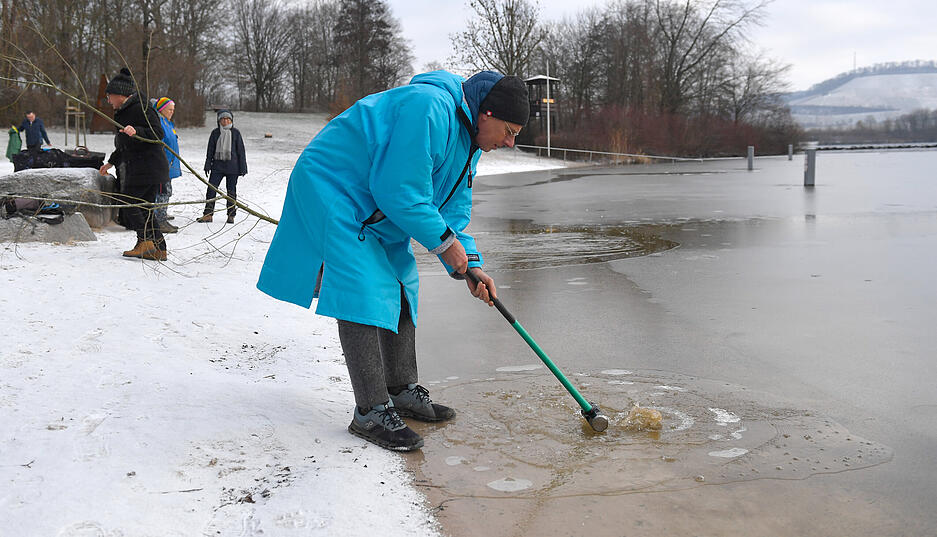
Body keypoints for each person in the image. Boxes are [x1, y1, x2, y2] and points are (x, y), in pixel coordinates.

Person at [256, 70, 529, 451]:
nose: (511, 142)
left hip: (378, 203)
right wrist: (445, 243)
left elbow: (452, 210)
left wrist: (470, 264)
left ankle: (401, 390)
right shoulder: (430, 109)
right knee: (361, 291)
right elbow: (398, 189)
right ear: (487, 114)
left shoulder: (470, 145)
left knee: (402, 282)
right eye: (510, 130)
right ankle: (370, 410)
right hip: (335, 186)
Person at [98, 67, 170, 261]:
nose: (108, 100)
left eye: (109, 96)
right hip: (141, 166)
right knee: (145, 208)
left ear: (120, 95)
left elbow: (158, 134)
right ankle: (159, 248)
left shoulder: (142, 108)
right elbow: (124, 144)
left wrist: (136, 131)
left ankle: (146, 242)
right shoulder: (124, 111)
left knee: (129, 202)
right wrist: (112, 162)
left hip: (148, 167)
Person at [197, 109, 247, 224]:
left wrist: (243, 167)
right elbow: (210, 150)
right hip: (217, 167)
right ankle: (208, 214)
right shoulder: (215, 133)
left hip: (233, 168)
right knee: (211, 190)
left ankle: (231, 215)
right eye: (223, 119)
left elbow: (241, 151)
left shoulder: (236, 133)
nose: (225, 121)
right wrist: (207, 165)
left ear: (231, 120)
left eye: (228, 119)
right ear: (219, 121)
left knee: (231, 192)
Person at [153, 97, 180, 233]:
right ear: (161, 109)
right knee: (162, 192)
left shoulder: (168, 123)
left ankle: (161, 216)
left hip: (169, 164)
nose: (172, 112)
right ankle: (159, 220)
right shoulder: (159, 123)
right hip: (162, 165)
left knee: (166, 192)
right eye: (169, 109)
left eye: (173, 110)